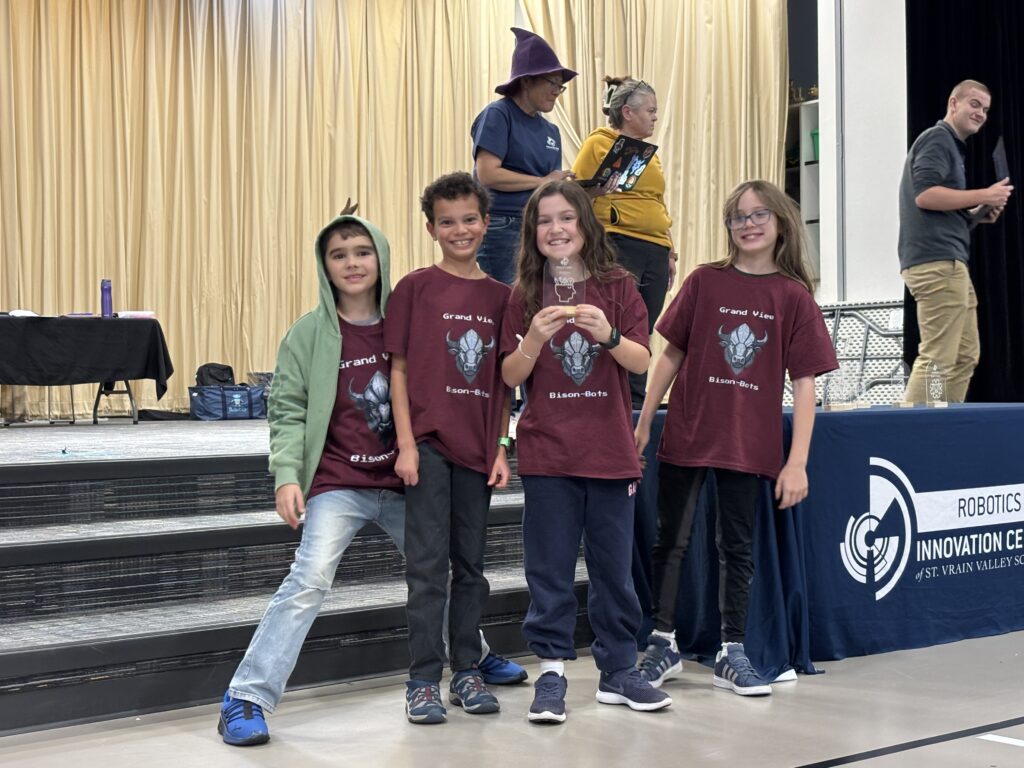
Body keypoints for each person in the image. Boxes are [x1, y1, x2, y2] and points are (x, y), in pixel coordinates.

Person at [217, 212, 524, 746]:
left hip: (408, 478)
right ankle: (245, 696)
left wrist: (497, 442)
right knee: (310, 578)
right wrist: (287, 476)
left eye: (362, 251)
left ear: (380, 257)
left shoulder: (409, 319)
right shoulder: (308, 335)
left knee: (440, 571)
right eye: (339, 254)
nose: (352, 263)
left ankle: (467, 652)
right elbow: (287, 410)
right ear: (324, 265)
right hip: (339, 483)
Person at [632, 180, 838, 697]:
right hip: (689, 432)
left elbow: (806, 385)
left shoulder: (793, 296)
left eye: (758, 215)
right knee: (671, 541)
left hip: (750, 443)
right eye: (737, 217)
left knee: (737, 546)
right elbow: (671, 356)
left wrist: (798, 463)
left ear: (780, 223)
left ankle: (733, 649)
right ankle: (662, 643)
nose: (747, 224)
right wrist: (642, 421)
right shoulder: (704, 282)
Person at [500, 180, 670, 724]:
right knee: (548, 569)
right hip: (549, 452)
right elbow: (508, 374)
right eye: (545, 220)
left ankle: (619, 671)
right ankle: (551, 673)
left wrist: (610, 336)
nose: (556, 229)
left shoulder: (618, 286)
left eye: (566, 218)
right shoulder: (522, 293)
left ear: (584, 225)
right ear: (533, 233)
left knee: (613, 571)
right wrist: (531, 340)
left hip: (610, 451)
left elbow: (643, 362)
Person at [386, 172, 513, 725]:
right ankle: (422, 680)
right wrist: (407, 444)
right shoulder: (415, 288)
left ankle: (467, 669)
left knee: (472, 567)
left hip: (479, 451)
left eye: (468, 219)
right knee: (427, 567)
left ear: (485, 223)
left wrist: (503, 447)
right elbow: (399, 371)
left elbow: (507, 383)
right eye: (447, 222)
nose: (459, 230)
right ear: (431, 228)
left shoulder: (503, 298)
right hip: (430, 448)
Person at [898, 79, 1012, 403]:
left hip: (947, 262)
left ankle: (944, 420)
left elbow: (938, 209)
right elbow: (925, 195)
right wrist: (984, 194)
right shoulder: (938, 139)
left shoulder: (949, 146)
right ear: (953, 103)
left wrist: (976, 213)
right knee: (938, 359)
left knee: (964, 355)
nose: (981, 113)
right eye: (974, 104)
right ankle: (920, 427)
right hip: (937, 265)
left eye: (986, 109)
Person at [572, 76, 677, 408]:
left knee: (643, 324)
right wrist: (598, 189)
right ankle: (609, 396)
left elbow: (658, 201)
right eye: (651, 110)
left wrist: (670, 248)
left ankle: (634, 399)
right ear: (628, 112)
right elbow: (575, 192)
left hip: (655, 247)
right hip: (618, 241)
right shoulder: (598, 143)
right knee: (618, 321)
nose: (654, 117)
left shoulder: (650, 154)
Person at [471, 27, 578, 285]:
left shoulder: (550, 130)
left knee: (538, 300)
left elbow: (549, 185)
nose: (556, 91)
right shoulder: (499, 114)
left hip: (539, 226)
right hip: (502, 224)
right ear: (526, 81)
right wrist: (541, 181)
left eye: (560, 86)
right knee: (508, 300)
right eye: (552, 83)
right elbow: (487, 174)